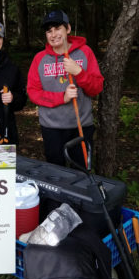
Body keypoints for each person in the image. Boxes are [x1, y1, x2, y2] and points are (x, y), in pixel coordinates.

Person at [27, 10, 104, 167]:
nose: (53, 34)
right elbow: (33, 92)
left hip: (80, 127)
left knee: (81, 175)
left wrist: (79, 73)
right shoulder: (39, 59)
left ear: (68, 29)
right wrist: (62, 98)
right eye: (49, 31)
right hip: (51, 128)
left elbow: (96, 88)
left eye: (57, 28)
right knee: (56, 175)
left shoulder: (85, 53)